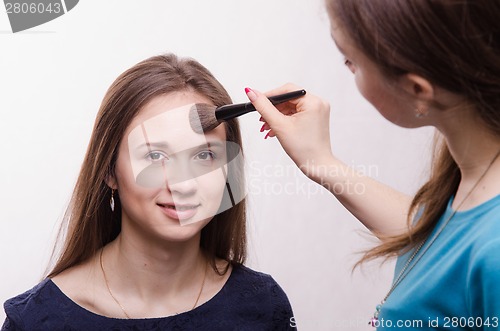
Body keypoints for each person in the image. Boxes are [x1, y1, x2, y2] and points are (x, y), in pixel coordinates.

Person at [244, 0, 500, 329]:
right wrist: (321, 162)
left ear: (417, 89)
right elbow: (439, 241)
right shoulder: (472, 174)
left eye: (352, 62)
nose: (349, 71)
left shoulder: (493, 249)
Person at [2, 54, 294, 330]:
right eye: (156, 156)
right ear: (109, 170)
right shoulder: (36, 320)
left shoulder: (263, 305)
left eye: (204, 156)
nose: (183, 184)